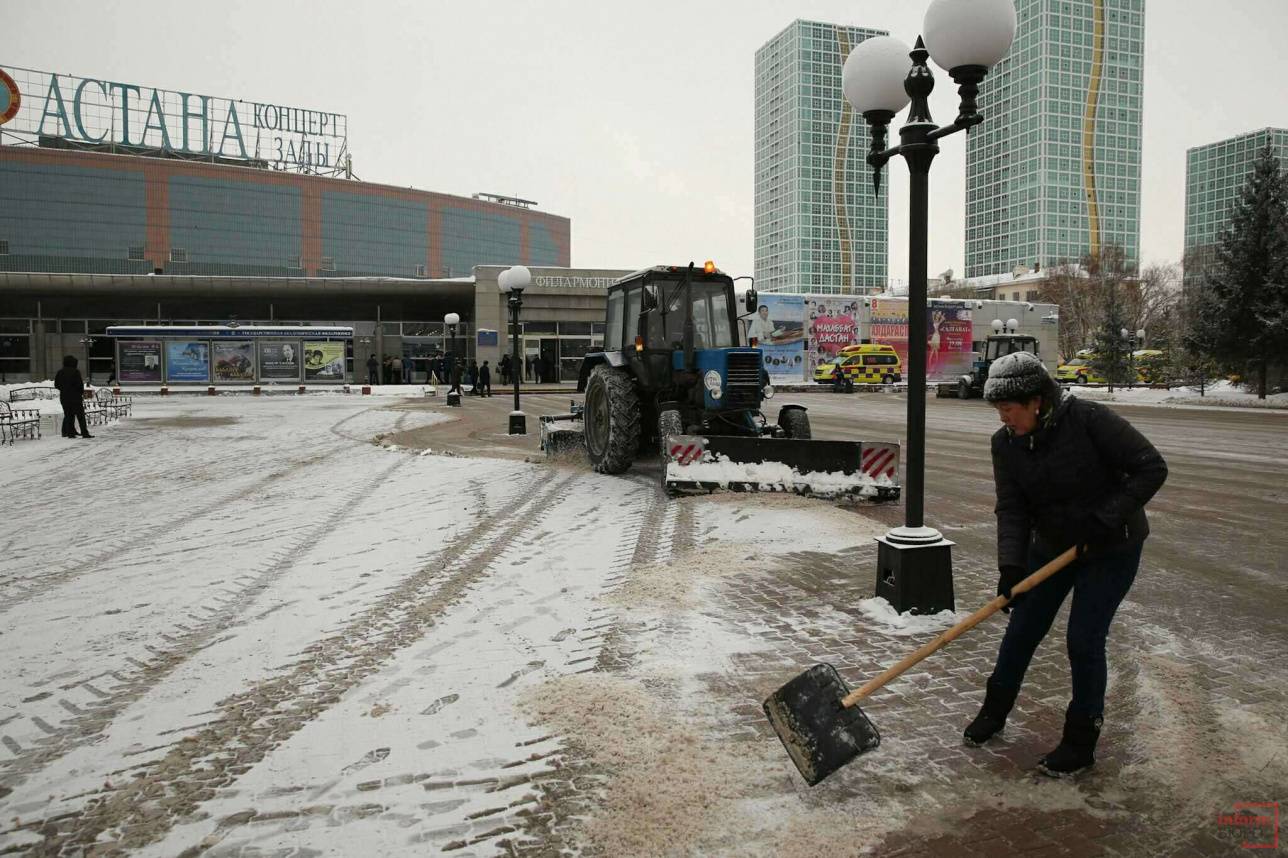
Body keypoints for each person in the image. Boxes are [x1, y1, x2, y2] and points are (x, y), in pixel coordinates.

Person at [964, 352, 1167, 777]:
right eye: (998, 410)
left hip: (1110, 548)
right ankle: (994, 711)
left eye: (1009, 409)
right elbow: (1012, 507)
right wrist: (1011, 566)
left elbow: (1151, 468)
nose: (1004, 419)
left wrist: (1104, 519)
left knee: (1083, 640)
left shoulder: (1090, 420)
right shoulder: (1005, 444)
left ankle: (1080, 741)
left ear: (1036, 400)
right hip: (1053, 545)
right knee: (1022, 629)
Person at [54, 355, 93, 439]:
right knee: (80, 416)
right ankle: (84, 433)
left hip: (64, 397)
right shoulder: (75, 372)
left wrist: (64, 389)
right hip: (75, 398)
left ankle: (70, 433)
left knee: (68, 415)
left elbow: (56, 385)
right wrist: (80, 392)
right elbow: (79, 385)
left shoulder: (60, 372)